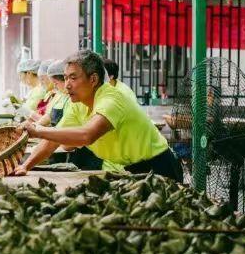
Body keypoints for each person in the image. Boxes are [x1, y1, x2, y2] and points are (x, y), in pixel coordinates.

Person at [15, 50, 182, 182]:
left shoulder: (111, 98)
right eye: (65, 78)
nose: (67, 85)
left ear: (93, 79)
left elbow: (87, 135)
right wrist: (26, 166)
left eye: (73, 78)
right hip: (130, 169)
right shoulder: (77, 104)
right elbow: (53, 141)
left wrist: (38, 130)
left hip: (160, 166)